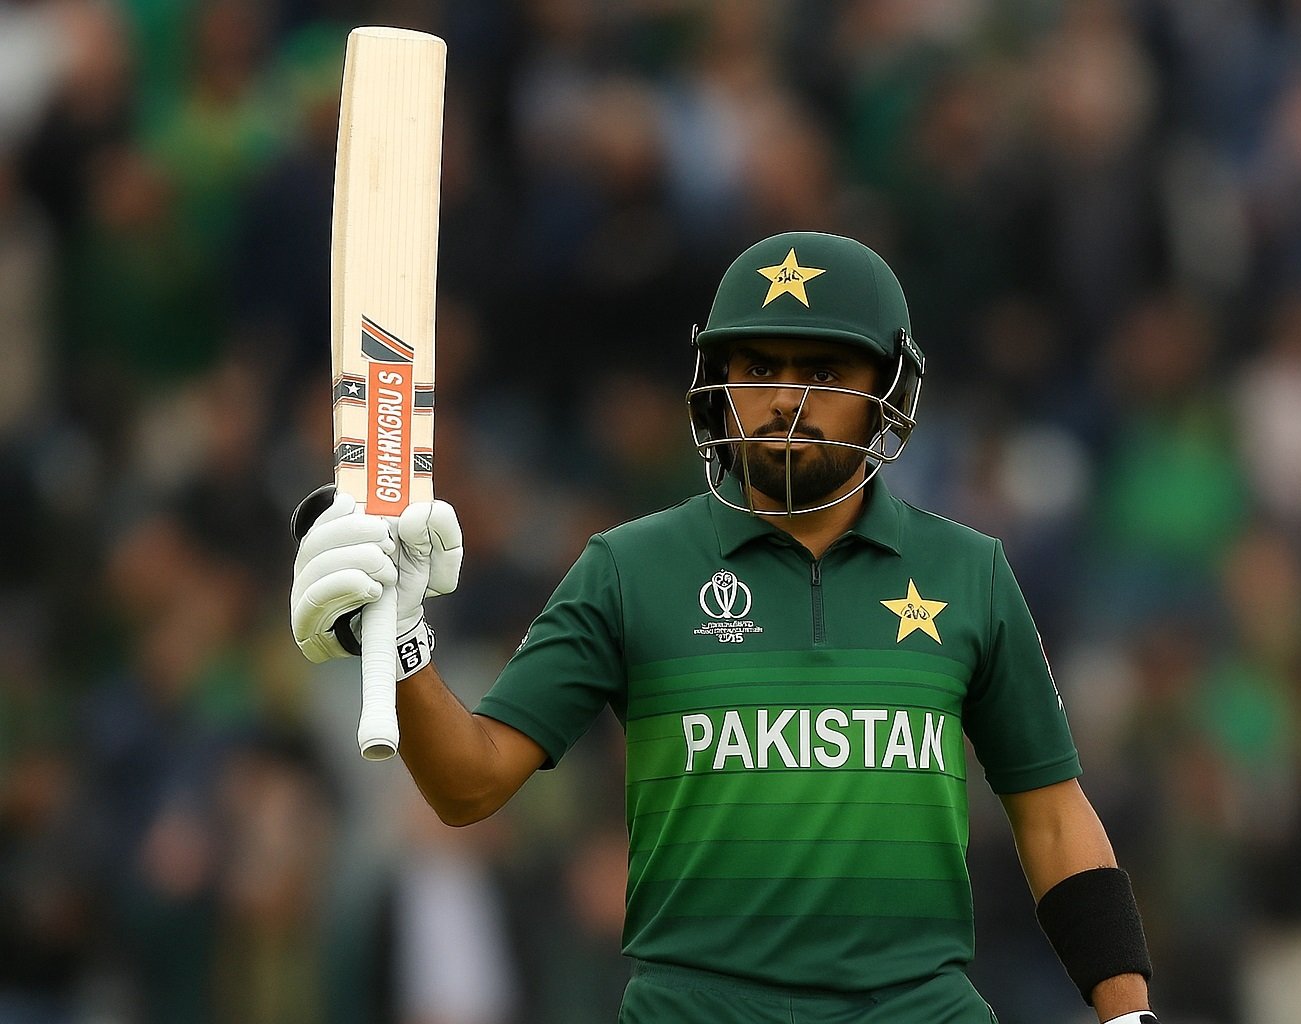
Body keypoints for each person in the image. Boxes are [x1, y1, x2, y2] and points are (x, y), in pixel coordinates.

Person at [291, 231, 1158, 1024]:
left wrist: (1126, 1016)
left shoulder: (969, 573)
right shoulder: (630, 568)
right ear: (719, 384)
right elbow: (468, 785)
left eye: (825, 373)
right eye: (759, 367)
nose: (785, 399)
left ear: (887, 392)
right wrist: (399, 643)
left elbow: (1052, 814)